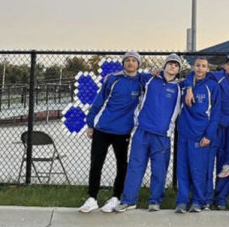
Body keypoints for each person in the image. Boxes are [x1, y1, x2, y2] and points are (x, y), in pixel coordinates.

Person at [113, 54, 184, 213]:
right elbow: (134, 73)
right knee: (135, 167)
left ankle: (155, 200)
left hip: (162, 135)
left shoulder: (180, 87)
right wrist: (152, 70)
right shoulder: (150, 80)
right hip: (142, 131)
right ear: (164, 66)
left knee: (159, 170)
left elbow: (199, 77)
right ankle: (128, 200)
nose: (173, 66)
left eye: (176, 65)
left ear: (179, 70)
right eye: (170, 63)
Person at [78, 51, 145, 213]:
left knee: (122, 165)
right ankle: (92, 197)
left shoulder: (142, 82)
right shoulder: (113, 79)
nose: (130, 63)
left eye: (134, 60)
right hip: (102, 128)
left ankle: (116, 196)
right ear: (123, 63)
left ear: (138, 64)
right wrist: (90, 124)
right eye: (127, 60)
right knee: (96, 164)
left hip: (123, 131)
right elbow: (99, 101)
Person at [186, 53, 229, 210]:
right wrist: (189, 87)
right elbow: (194, 73)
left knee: (227, 164)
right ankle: (205, 198)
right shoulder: (216, 76)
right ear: (225, 66)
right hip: (215, 126)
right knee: (208, 162)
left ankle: (221, 199)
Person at [176, 57, 222, 213]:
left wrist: (209, 135)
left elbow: (215, 114)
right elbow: (171, 80)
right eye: (198, 65)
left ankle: (198, 201)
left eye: (203, 66)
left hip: (200, 134)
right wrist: (188, 87)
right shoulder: (185, 84)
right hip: (184, 133)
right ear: (193, 67)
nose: (200, 69)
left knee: (198, 171)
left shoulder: (212, 86)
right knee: (182, 169)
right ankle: (182, 201)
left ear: (208, 69)